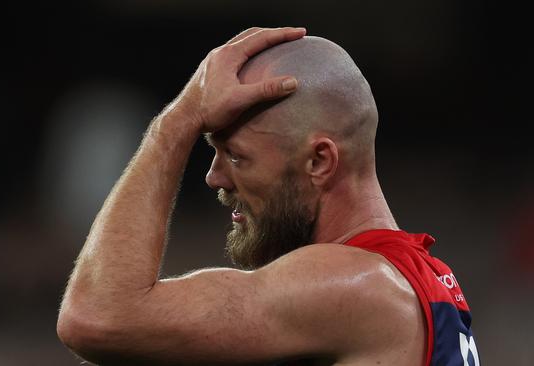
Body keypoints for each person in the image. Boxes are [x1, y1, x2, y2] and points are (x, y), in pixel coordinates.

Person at [56, 27, 480, 366]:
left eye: (237, 157)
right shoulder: (425, 282)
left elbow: (98, 317)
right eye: (214, 152)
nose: (214, 177)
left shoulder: (350, 286)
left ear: (319, 161)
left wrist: (177, 122)